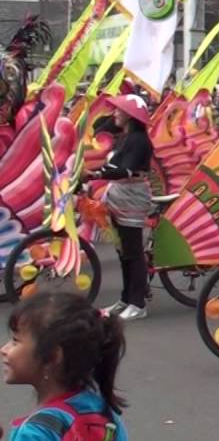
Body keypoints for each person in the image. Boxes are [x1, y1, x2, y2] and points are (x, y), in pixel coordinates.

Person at [2, 293, 140, 441]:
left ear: (52, 357)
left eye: (15, 341)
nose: (3, 349)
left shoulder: (34, 435)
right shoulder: (100, 410)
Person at [85, 95, 153, 322]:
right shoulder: (125, 138)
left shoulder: (140, 140)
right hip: (118, 196)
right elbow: (110, 163)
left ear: (131, 116)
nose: (114, 113)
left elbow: (125, 171)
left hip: (132, 198)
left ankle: (138, 303)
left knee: (133, 253)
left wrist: (97, 174)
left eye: (119, 110)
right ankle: (125, 298)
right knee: (122, 251)